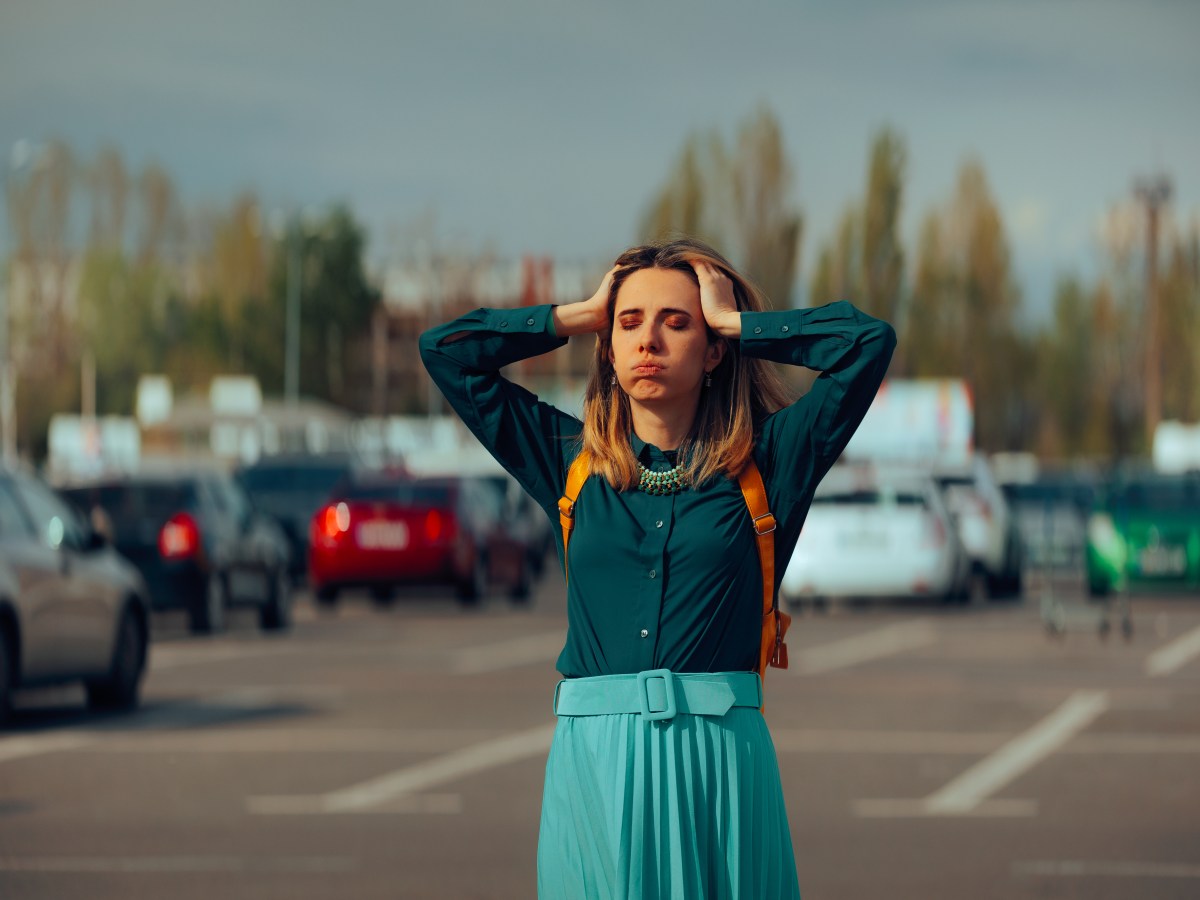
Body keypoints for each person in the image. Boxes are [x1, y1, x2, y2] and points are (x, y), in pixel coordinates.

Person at [420, 237, 896, 899]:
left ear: (712, 353)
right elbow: (444, 352)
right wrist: (575, 313)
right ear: (607, 350)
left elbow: (867, 343)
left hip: (720, 767)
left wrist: (738, 322)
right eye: (629, 322)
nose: (650, 341)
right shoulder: (569, 462)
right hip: (594, 767)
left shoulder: (773, 464)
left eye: (677, 323)